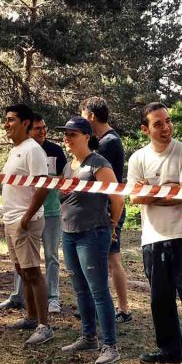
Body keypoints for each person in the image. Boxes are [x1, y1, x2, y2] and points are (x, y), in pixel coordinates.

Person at [126, 102, 182, 364]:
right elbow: (135, 196)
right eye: (158, 123)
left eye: (168, 121)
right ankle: (168, 349)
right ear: (144, 129)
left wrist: (152, 190)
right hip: (152, 238)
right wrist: (167, 189)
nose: (166, 127)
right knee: (160, 299)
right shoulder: (138, 158)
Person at [56, 117, 122, 364]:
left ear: (86, 136)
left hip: (93, 233)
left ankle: (110, 346)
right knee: (80, 288)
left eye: (72, 134)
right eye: (65, 134)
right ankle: (88, 336)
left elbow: (117, 197)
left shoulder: (98, 163)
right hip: (69, 232)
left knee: (98, 290)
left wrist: (113, 225)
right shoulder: (68, 166)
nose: (67, 138)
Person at [0, 114, 65, 314]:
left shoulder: (52, 150)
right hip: (19, 215)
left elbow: (60, 179)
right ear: (30, 129)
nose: (43, 132)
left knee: (50, 256)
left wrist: (28, 216)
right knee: (23, 265)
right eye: (39, 129)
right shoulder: (19, 149)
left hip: (49, 211)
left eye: (45, 128)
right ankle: (19, 298)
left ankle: (52, 298)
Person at [0, 103, 53, 346]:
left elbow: (43, 185)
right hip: (11, 219)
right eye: (6, 119)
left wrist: (27, 216)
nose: (6, 124)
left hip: (26, 220)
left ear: (25, 123)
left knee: (32, 271)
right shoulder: (16, 149)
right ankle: (31, 318)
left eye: (11, 119)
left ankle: (44, 326)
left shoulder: (33, 150)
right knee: (22, 270)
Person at [81, 96, 131, 322]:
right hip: (101, 208)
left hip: (111, 209)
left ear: (91, 116)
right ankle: (102, 306)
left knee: (112, 259)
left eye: (83, 115)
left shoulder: (108, 142)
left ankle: (123, 309)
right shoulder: (105, 140)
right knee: (103, 259)